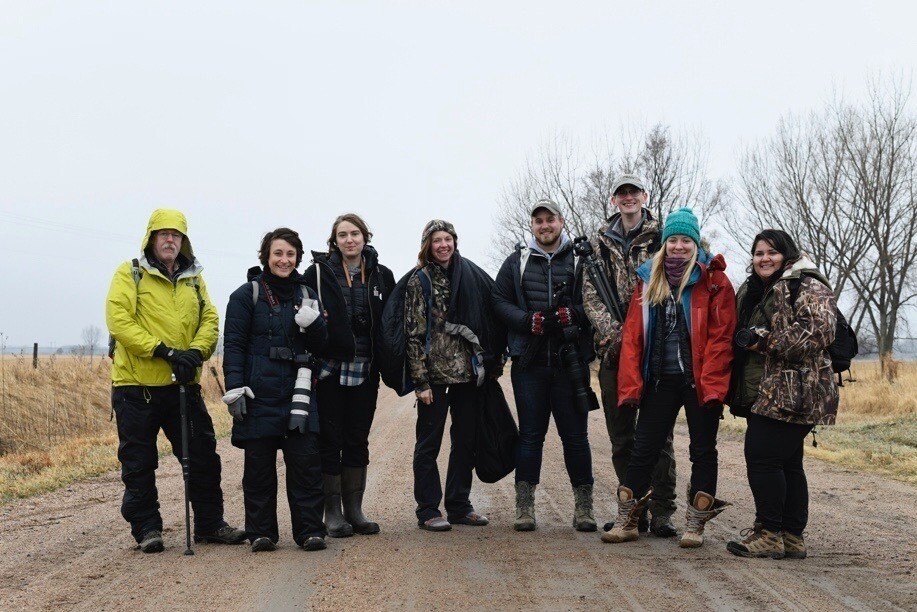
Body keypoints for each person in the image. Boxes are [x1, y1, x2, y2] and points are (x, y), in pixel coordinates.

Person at [106, 208, 245, 553]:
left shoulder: (194, 278)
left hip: (182, 385)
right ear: (151, 238)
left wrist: (195, 353)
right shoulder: (130, 273)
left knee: (202, 455)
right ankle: (147, 529)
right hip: (136, 387)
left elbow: (210, 319)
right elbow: (119, 320)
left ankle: (210, 524)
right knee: (139, 462)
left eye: (176, 234)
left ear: (184, 241)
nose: (170, 239)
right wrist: (164, 352)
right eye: (163, 233)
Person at [602, 208, 736, 548]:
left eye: (685, 240)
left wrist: (714, 385)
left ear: (695, 243)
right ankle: (628, 520)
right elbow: (633, 336)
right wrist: (632, 384)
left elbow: (722, 338)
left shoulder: (714, 281)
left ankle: (695, 525)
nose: (678, 246)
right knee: (643, 448)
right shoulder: (648, 280)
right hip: (660, 380)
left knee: (703, 450)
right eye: (672, 240)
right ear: (664, 244)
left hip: (698, 381)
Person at [726, 229, 839, 559]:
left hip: (798, 390)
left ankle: (769, 532)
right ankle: (791, 536)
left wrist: (763, 340)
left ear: (786, 254)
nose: (764, 258)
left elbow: (820, 331)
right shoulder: (756, 288)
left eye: (772, 252)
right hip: (774, 390)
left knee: (761, 458)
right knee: (787, 462)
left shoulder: (807, 282)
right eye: (758, 252)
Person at [581, 174, 678, 537]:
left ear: (644, 196)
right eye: (622, 193)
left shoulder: (665, 237)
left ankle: (664, 511)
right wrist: (617, 338)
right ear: (613, 200)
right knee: (622, 436)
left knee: (659, 436)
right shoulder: (598, 244)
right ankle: (632, 509)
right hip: (614, 352)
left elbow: (672, 288)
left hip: (655, 348)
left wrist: (641, 336)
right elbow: (590, 297)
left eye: (633, 192)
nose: (628, 198)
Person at [222, 228, 329, 552]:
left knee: (307, 466)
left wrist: (316, 325)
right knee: (258, 470)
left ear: (297, 257)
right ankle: (261, 533)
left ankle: (310, 531)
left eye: (290, 254)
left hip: (298, 394)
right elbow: (235, 346)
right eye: (278, 253)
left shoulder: (308, 294)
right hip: (258, 395)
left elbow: (323, 346)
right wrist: (235, 389)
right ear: (266, 256)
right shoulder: (245, 295)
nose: (284, 260)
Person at [493, 199, 596, 532]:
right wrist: (527, 321)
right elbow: (498, 302)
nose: (544, 225)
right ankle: (525, 508)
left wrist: (575, 315)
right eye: (538, 221)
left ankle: (584, 508)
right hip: (529, 364)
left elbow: (596, 302)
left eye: (550, 219)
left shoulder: (582, 260)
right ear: (532, 226)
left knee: (576, 438)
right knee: (530, 438)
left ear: (561, 221)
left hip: (571, 363)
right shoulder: (517, 261)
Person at [406, 220, 504, 532]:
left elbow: (490, 319)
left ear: (454, 241)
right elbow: (413, 333)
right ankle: (428, 510)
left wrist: (491, 364)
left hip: (468, 377)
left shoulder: (471, 276)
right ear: (428, 245)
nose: (443, 245)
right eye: (437, 240)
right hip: (434, 378)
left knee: (466, 442)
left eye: (447, 239)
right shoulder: (419, 281)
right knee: (428, 445)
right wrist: (420, 381)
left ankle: (459, 505)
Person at [303, 214, 395, 537]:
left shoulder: (382, 276)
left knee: (357, 438)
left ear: (365, 237)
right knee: (330, 440)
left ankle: (354, 511)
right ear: (335, 240)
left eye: (354, 233)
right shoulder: (318, 273)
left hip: (366, 369)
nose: (349, 240)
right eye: (342, 235)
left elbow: (391, 325)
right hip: (329, 370)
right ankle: (332, 514)